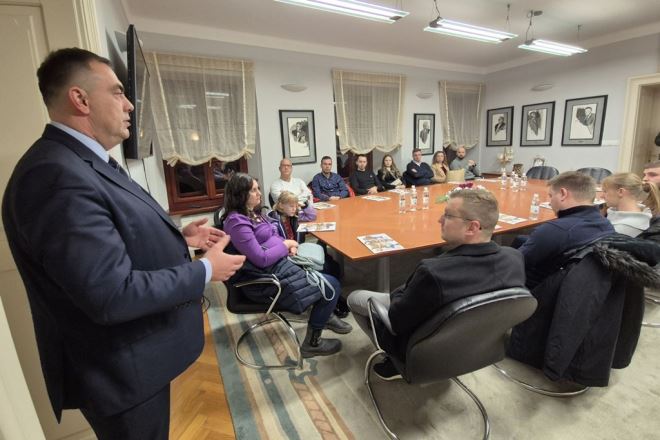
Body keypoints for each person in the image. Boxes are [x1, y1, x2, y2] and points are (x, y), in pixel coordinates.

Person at [1, 48, 246, 439]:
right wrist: (204, 270)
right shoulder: (55, 175)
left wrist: (180, 239)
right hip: (119, 371)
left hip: (134, 363)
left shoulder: (83, 162)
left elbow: (112, 241)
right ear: (80, 99)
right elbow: (110, 293)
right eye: (117, 92)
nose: (130, 104)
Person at [347, 188, 526, 379]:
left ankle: (395, 361)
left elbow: (397, 321)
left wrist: (403, 289)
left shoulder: (433, 272)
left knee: (355, 298)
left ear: (472, 227)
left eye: (448, 215)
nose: (439, 220)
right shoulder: (515, 258)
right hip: (477, 347)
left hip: (422, 353)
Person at [221, 174, 352, 358]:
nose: (259, 193)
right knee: (332, 286)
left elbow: (272, 236)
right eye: (254, 190)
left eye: (258, 188)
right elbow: (261, 259)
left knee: (327, 272)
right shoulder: (237, 222)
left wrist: (288, 245)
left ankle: (325, 315)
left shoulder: (253, 213)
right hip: (264, 280)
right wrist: (285, 245)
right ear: (240, 194)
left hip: (278, 266)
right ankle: (312, 343)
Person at [517, 171, 614, 289]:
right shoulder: (606, 224)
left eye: (551, 196)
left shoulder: (554, 230)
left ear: (563, 194)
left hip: (541, 290)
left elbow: (515, 262)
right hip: (583, 287)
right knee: (519, 240)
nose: (550, 202)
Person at [601, 172, 660, 237]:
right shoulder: (644, 214)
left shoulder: (621, 229)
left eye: (605, 191)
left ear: (620, 192)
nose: (602, 196)